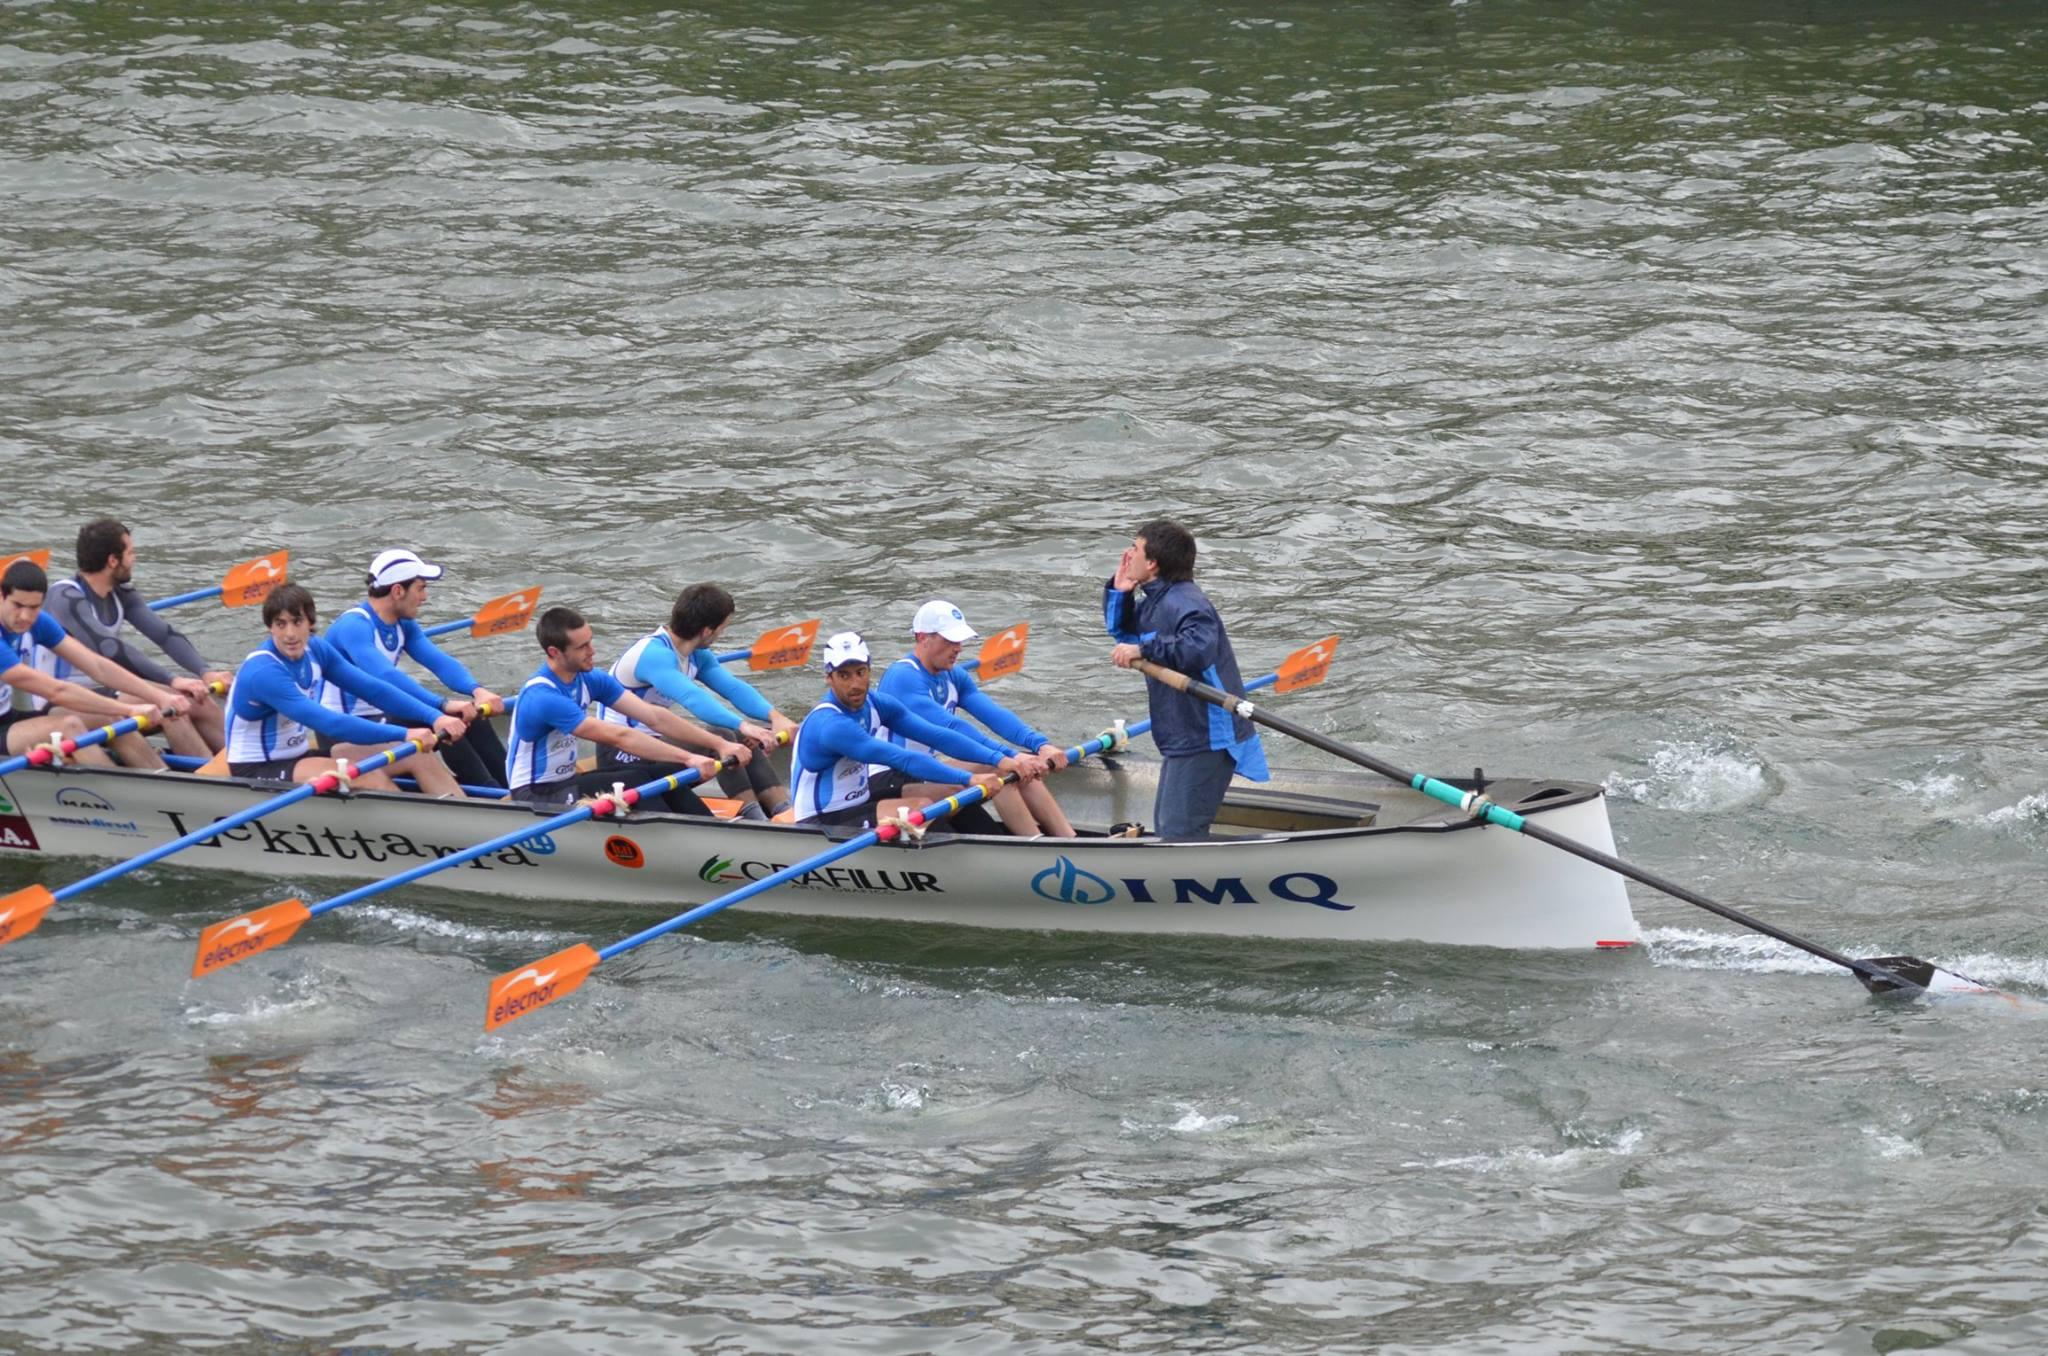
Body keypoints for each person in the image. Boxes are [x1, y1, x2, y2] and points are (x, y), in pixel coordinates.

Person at [1105, 518, 1268, 838]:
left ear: (1152, 563)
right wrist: (1121, 593)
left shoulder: (1186, 602)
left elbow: (1198, 650)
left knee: (1179, 831)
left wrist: (1144, 647)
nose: (1128, 555)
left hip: (1208, 733)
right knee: (1168, 827)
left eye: (1135, 548)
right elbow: (1125, 636)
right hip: (1183, 732)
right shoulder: (1154, 600)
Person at [224, 581, 468, 791]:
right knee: (369, 776)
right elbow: (330, 723)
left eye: (297, 622)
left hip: (298, 755)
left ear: (310, 622)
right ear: (270, 627)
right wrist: (405, 733)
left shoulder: (316, 649)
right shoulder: (264, 672)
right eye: (280, 624)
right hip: (258, 768)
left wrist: (436, 716)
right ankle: (418, 842)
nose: (289, 634)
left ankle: (472, 832)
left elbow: (373, 689)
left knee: (418, 755)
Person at [506, 606, 750, 813]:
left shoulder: (590, 679)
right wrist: (689, 757)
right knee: (637, 781)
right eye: (582, 647)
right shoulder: (544, 696)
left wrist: (719, 744)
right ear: (554, 653)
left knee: (660, 776)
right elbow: (620, 737)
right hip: (534, 795)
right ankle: (692, 845)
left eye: (590, 641)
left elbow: (655, 717)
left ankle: (706, 831)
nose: (592, 651)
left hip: (567, 782)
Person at [596, 584, 797, 820]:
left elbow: (733, 688)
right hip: (621, 752)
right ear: (706, 631)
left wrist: (776, 716)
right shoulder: (654, 655)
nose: (723, 633)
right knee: (722, 738)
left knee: (740, 736)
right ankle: (756, 820)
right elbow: (693, 698)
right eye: (723, 628)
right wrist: (744, 725)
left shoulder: (697, 654)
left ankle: (781, 810)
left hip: (654, 742)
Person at [878, 599, 1075, 837]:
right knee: (1000, 766)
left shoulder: (954, 675)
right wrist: (1011, 757)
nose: (959, 648)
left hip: (924, 769)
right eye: (950, 640)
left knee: (1015, 767)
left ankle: (1067, 837)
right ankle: (1035, 846)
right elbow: (951, 728)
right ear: (923, 638)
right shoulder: (903, 677)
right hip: (888, 777)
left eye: (959, 640)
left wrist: (1040, 744)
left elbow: (995, 715)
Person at [319, 549, 510, 790]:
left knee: (468, 718)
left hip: (382, 715)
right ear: (397, 591)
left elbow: (440, 662)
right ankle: (491, 795)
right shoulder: (354, 626)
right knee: (445, 721)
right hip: (344, 729)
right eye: (420, 588)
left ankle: (511, 788)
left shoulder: (404, 625)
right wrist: (441, 707)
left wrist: (477, 691)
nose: (425, 597)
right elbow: (386, 677)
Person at [44, 518, 231, 756]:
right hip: (64, 699)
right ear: (113, 560)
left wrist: (205, 672)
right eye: (131, 553)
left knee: (198, 701)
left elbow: (165, 635)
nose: (135, 559)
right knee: (173, 708)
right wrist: (172, 680)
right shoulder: (65, 598)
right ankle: (212, 779)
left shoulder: (120, 593)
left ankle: (245, 765)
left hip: (108, 688)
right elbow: (109, 647)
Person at [789, 632, 1014, 829]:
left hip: (860, 801)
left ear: (869, 670)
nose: (855, 684)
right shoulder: (831, 725)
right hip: (822, 821)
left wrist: (1004, 758)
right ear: (829, 678)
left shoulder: (878, 704)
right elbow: (901, 759)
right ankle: (958, 866)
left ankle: (997, 847)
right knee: (921, 806)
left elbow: (936, 735)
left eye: (860, 672)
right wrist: (972, 778)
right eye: (844, 675)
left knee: (951, 791)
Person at [1, 557, 195, 770]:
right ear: (1, 596)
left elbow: (97, 666)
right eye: (18, 605)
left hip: (9, 718)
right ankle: (120, 797)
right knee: (69, 726)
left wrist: (161, 697)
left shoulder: (38, 622)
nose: (25, 616)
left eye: (34, 607)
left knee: (110, 717)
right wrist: (129, 709)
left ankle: (164, 784)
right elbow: (57, 691)